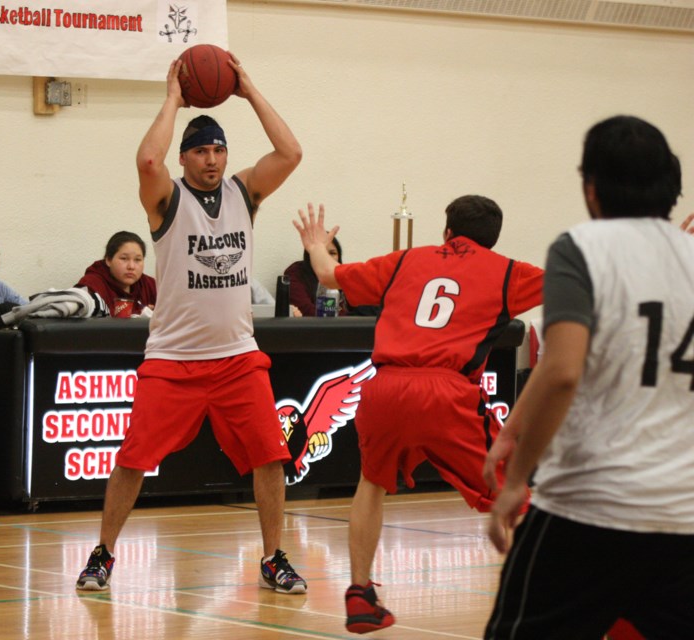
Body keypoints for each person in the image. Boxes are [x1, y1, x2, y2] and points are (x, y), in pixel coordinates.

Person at [76, 53, 306, 594]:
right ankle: (104, 553)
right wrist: (174, 99)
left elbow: (291, 152)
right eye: (201, 150)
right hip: (174, 360)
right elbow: (147, 161)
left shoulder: (243, 192)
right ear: (185, 157)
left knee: (271, 458)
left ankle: (274, 557)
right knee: (133, 459)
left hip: (237, 357)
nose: (211, 158)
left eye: (218, 149)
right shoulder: (167, 198)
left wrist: (248, 88)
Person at [293, 196, 543, 632]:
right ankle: (549, 593)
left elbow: (328, 275)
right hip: (446, 390)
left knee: (370, 484)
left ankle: (360, 594)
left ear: (447, 231)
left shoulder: (406, 260)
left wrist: (316, 243)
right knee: (514, 492)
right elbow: (585, 282)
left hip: (385, 386)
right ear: (493, 239)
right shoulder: (507, 271)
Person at [483, 116, 692, 638]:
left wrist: (516, 481)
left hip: (588, 510)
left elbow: (561, 371)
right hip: (684, 518)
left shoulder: (581, 248)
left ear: (590, 187)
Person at [75, 230, 157, 317]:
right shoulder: (92, 283)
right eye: (124, 258)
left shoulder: (149, 284)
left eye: (137, 260)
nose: (131, 266)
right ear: (108, 260)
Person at [284, 237, 345, 317]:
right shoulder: (296, 272)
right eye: (321, 253)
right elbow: (305, 309)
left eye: (332, 253)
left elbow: (354, 311)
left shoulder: (343, 274)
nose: (326, 258)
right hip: (309, 327)